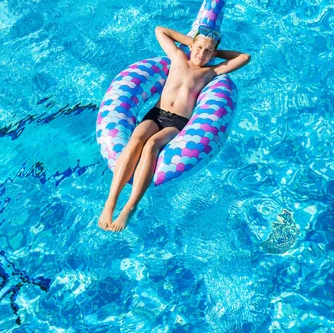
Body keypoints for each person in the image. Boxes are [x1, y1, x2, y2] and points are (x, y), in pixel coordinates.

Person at [98, 24, 251, 232]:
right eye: (198, 49)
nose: (201, 54)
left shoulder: (211, 71)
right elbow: (160, 30)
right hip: (156, 113)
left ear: (213, 54)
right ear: (191, 46)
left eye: (208, 52)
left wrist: (214, 50)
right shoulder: (178, 56)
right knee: (135, 140)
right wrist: (193, 42)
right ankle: (110, 203)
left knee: (152, 145)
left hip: (177, 121)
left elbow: (244, 57)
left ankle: (129, 207)